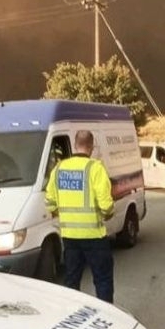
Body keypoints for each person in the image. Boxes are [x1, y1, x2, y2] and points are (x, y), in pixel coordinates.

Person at [44, 129, 116, 302]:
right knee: (102, 279)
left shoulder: (59, 168)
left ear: (75, 145)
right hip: (94, 236)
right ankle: (106, 312)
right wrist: (108, 214)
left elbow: (50, 201)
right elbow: (106, 205)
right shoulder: (95, 168)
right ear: (91, 147)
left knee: (72, 280)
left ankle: (72, 311)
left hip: (69, 237)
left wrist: (61, 213)